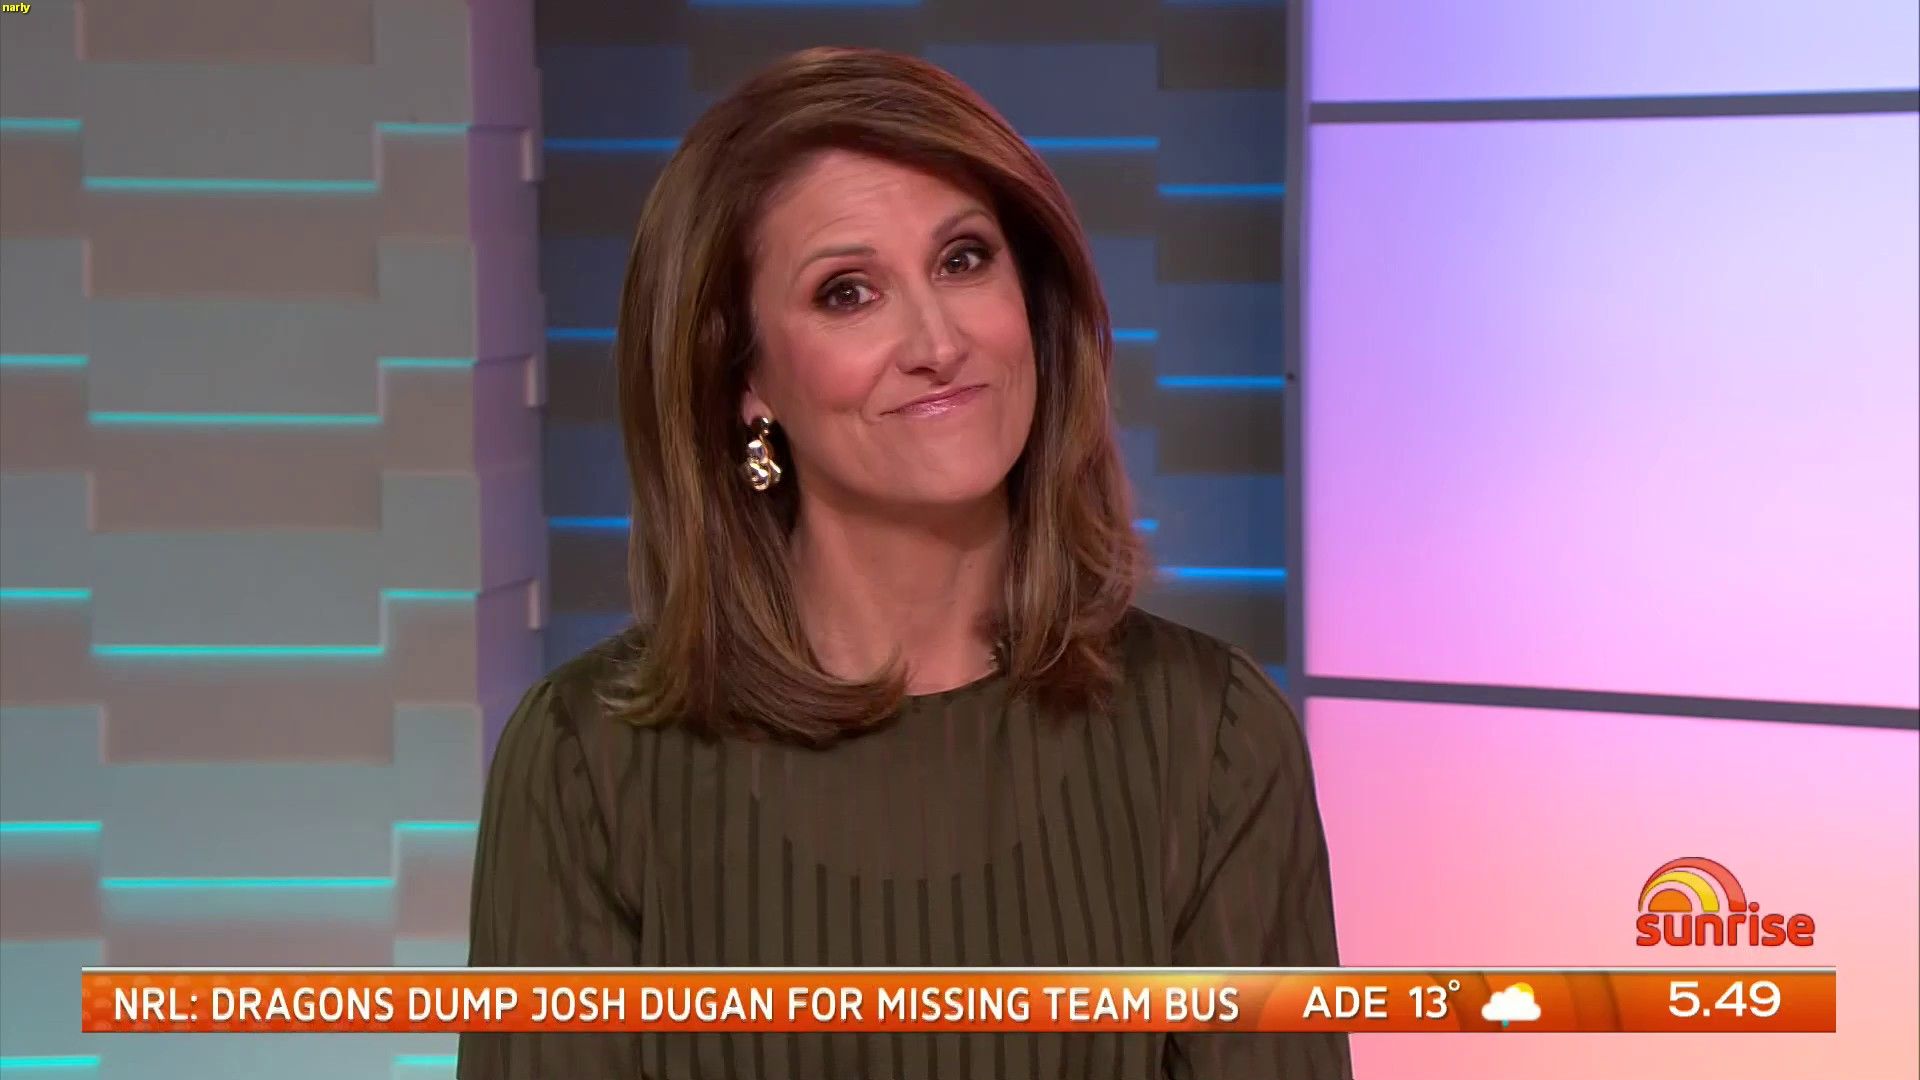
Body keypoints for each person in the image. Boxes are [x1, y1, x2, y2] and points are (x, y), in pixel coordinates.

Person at [459, 46, 1350, 1080]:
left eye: (963, 260)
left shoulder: (1214, 741)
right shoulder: (586, 767)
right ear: (744, 377)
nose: (937, 341)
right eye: (848, 292)